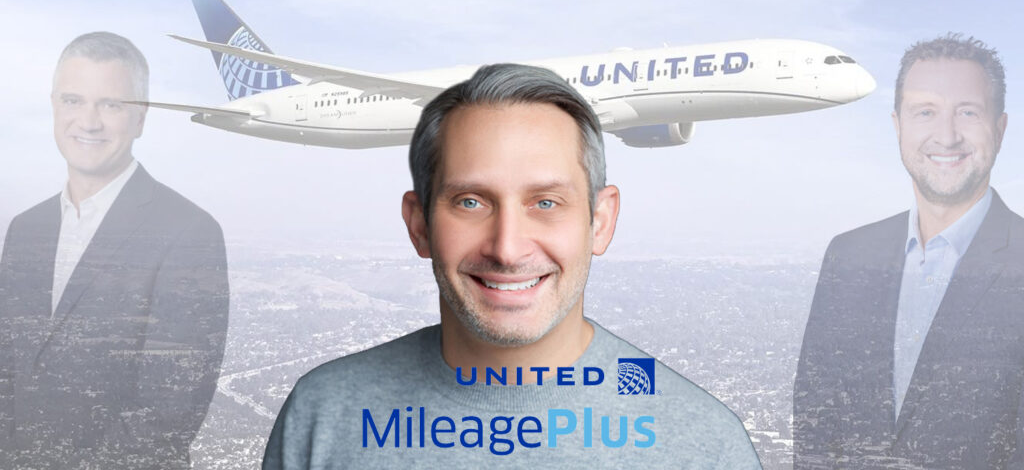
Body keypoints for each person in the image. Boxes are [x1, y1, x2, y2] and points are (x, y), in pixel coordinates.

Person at [262, 63, 761, 468]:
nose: (507, 248)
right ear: (418, 226)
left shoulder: (708, 445)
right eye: (471, 202)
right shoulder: (322, 416)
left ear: (601, 222)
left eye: (546, 203)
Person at [0, 32, 229, 469]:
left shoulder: (190, 233)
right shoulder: (25, 230)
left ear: (140, 118)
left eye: (110, 105)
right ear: (53, 106)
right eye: (73, 100)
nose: (88, 121)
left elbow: (168, 417)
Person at [794, 34, 1024, 468]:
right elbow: (814, 434)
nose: (947, 135)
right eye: (926, 112)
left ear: (1000, 128)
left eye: (968, 112)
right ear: (899, 126)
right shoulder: (847, 257)